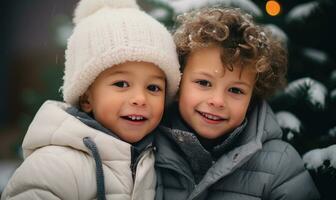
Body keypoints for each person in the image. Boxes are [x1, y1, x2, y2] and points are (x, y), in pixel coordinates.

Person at [1, 0, 180, 199]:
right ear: (86, 98)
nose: (140, 99)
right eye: (121, 84)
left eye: (153, 87)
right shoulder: (57, 166)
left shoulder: (163, 163)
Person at [154, 7, 320, 200]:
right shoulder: (147, 147)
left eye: (235, 90)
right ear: (179, 81)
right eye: (203, 83)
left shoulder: (280, 163)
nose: (217, 101)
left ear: (253, 96)